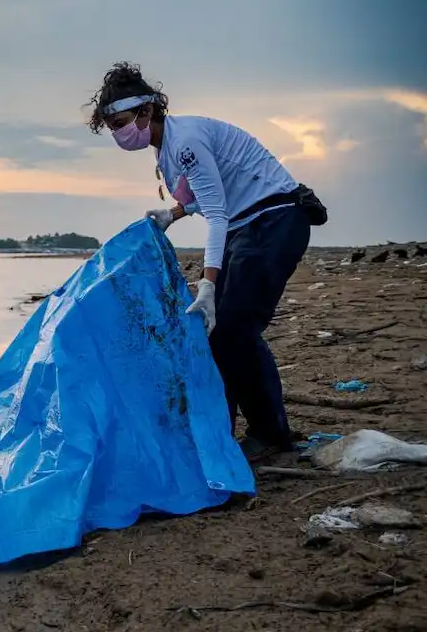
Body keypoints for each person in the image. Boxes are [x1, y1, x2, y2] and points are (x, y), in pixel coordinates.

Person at [84, 62, 328, 462]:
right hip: (248, 224)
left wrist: (208, 285)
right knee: (218, 333)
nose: (118, 133)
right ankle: (221, 430)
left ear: (147, 111)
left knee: (235, 330)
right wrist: (175, 214)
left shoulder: (186, 141)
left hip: (275, 220)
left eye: (121, 122)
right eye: (111, 126)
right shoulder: (166, 149)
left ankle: (271, 435)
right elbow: (206, 194)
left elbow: (217, 214)